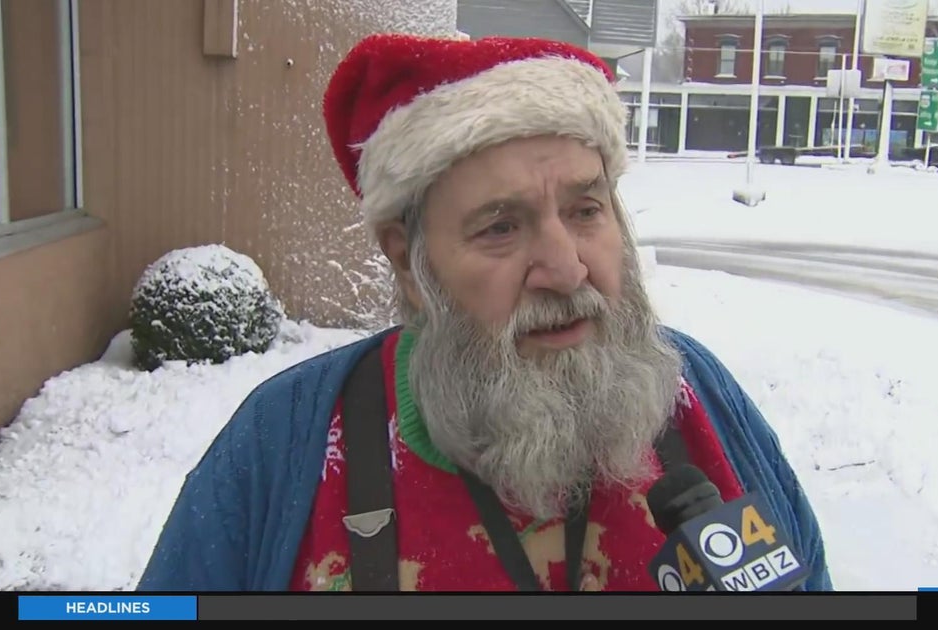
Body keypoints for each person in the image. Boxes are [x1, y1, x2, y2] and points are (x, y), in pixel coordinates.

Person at [136, 33, 833, 593]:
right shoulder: (288, 443)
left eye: (586, 211)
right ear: (410, 263)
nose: (566, 269)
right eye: (500, 227)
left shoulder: (696, 397)